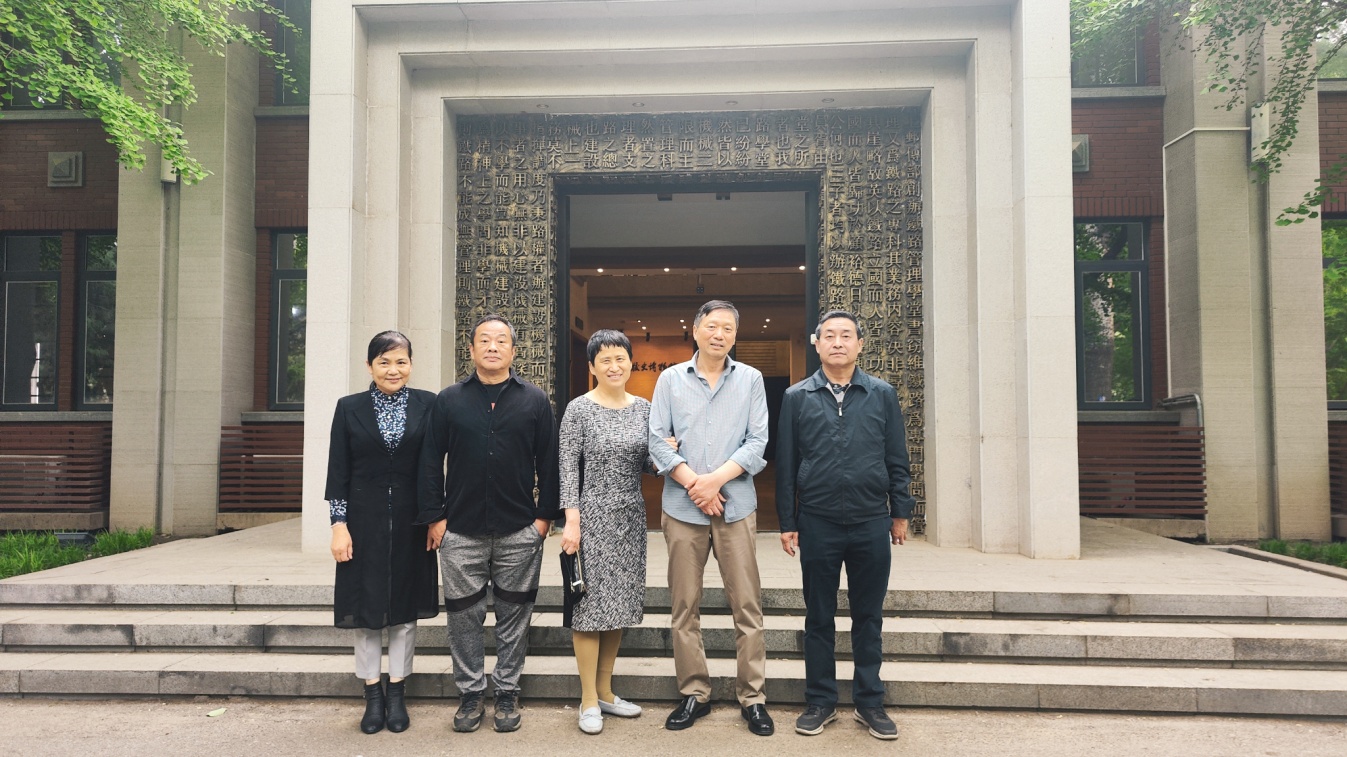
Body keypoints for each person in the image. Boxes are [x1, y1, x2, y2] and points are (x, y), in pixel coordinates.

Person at [418, 314, 560, 734]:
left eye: (501, 340)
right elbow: (430, 460)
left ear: (514, 350)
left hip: (520, 530)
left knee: (515, 616)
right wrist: (435, 517)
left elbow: (549, 462)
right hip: (460, 530)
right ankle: (469, 694)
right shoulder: (449, 400)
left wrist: (543, 519)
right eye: (484, 340)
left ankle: (507, 691)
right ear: (472, 349)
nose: (493, 346)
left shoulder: (535, 400)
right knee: (463, 617)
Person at [776, 310, 913, 741]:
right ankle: (820, 701)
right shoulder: (797, 396)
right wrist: (788, 521)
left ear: (859, 344)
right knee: (818, 617)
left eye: (846, 335)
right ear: (816, 344)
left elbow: (896, 457)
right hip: (817, 522)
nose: (838, 342)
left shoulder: (881, 394)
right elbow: (786, 464)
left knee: (868, 616)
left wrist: (900, 513)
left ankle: (870, 702)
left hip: (871, 521)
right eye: (830, 336)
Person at [648, 299, 773, 736]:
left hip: (735, 507)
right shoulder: (669, 379)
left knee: (747, 606)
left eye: (728, 328)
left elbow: (757, 441)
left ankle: (752, 697)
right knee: (684, 606)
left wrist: (714, 481)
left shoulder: (751, 379)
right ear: (696, 329)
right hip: (683, 509)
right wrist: (695, 486)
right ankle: (694, 692)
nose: (720, 334)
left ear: (735, 336)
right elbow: (656, 441)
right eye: (712, 326)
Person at [325, 330, 440, 735]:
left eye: (401, 361)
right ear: (370, 366)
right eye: (384, 362)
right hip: (362, 522)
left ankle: (397, 690)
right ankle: (372, 693)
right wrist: (339, 526)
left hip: (412, 523)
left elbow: (432, 467)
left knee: (404, 611)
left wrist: (434, 517)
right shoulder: (349, 408)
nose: (393, 370)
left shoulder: (428, 404)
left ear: (411, 364)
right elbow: (338, 471)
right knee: (367, 610)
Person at [557, 329, 659, 735]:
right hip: (591, 517)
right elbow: (567, 467)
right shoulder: (579, 409)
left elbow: (648, 464)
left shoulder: (645, 409)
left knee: (618, 605)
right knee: (588, 609)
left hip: (630, 517)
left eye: (620, 358)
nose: (614, 366)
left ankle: (605, 691)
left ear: (630, 362)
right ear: (592, 367)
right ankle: (586, 700)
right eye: (605, 360)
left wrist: (665, 452)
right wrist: (572, 520)